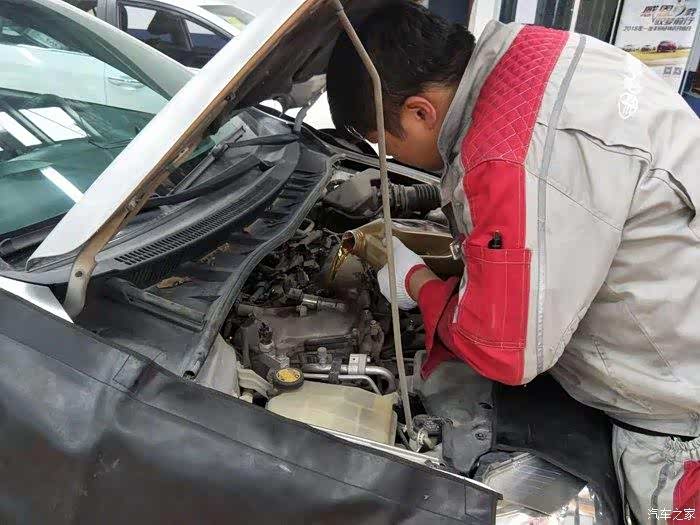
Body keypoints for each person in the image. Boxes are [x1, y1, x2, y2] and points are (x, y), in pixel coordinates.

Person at [326, 2, 700, 523]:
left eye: (380, 142)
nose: (388, 158)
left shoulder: (507, 154)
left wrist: (413, 280)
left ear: (420, 112)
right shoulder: (532, 53)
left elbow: (502, 350)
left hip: (674, 418)